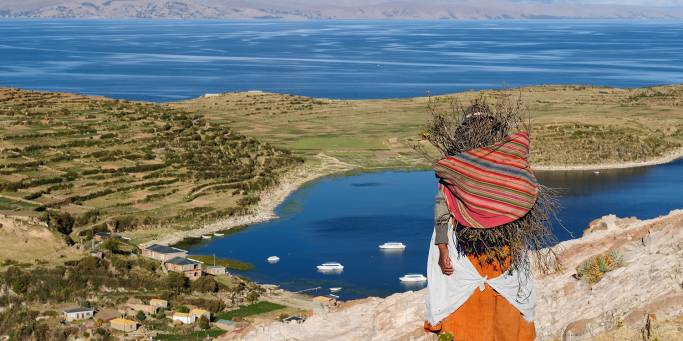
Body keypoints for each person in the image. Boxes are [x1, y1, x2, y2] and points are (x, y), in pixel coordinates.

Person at [423, 102, 556, 341]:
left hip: (465, 250)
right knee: (506, 305)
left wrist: (443, 249)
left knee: (468, 308)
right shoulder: (511, 162)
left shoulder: (455, 164)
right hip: (505, 250)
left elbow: (442, 208)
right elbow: (526, 195)